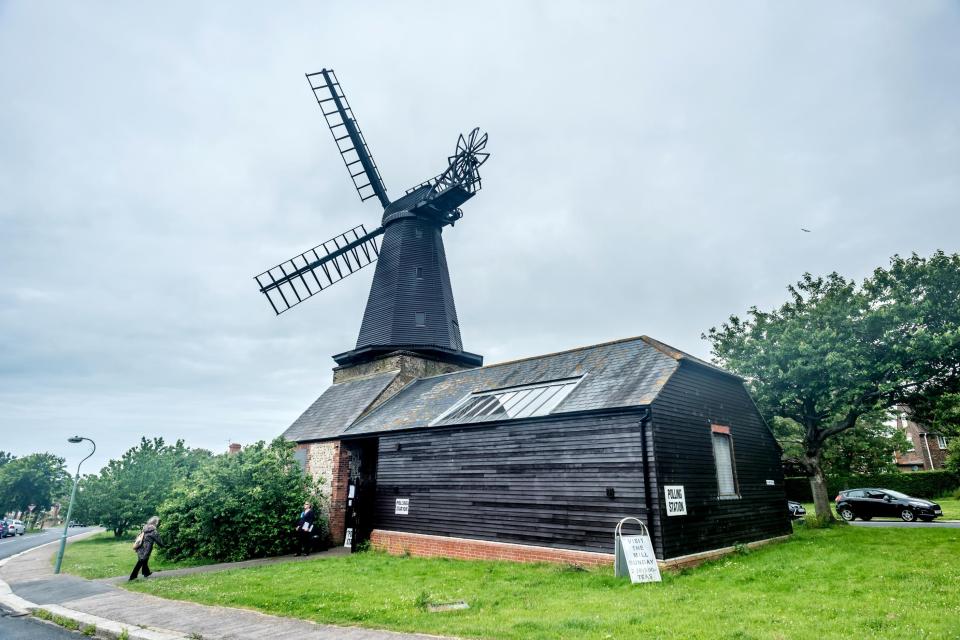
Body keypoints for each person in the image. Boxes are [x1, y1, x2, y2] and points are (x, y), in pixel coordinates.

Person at [129, 516, 163, 580]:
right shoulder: (153, 531)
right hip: (146, 549)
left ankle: (146, 573)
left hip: (139, 548)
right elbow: (158, 541)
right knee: (141, 562)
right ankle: (132, 577)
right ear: (156, 523)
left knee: (144, 560)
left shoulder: (144, 528)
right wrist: (164, 546)